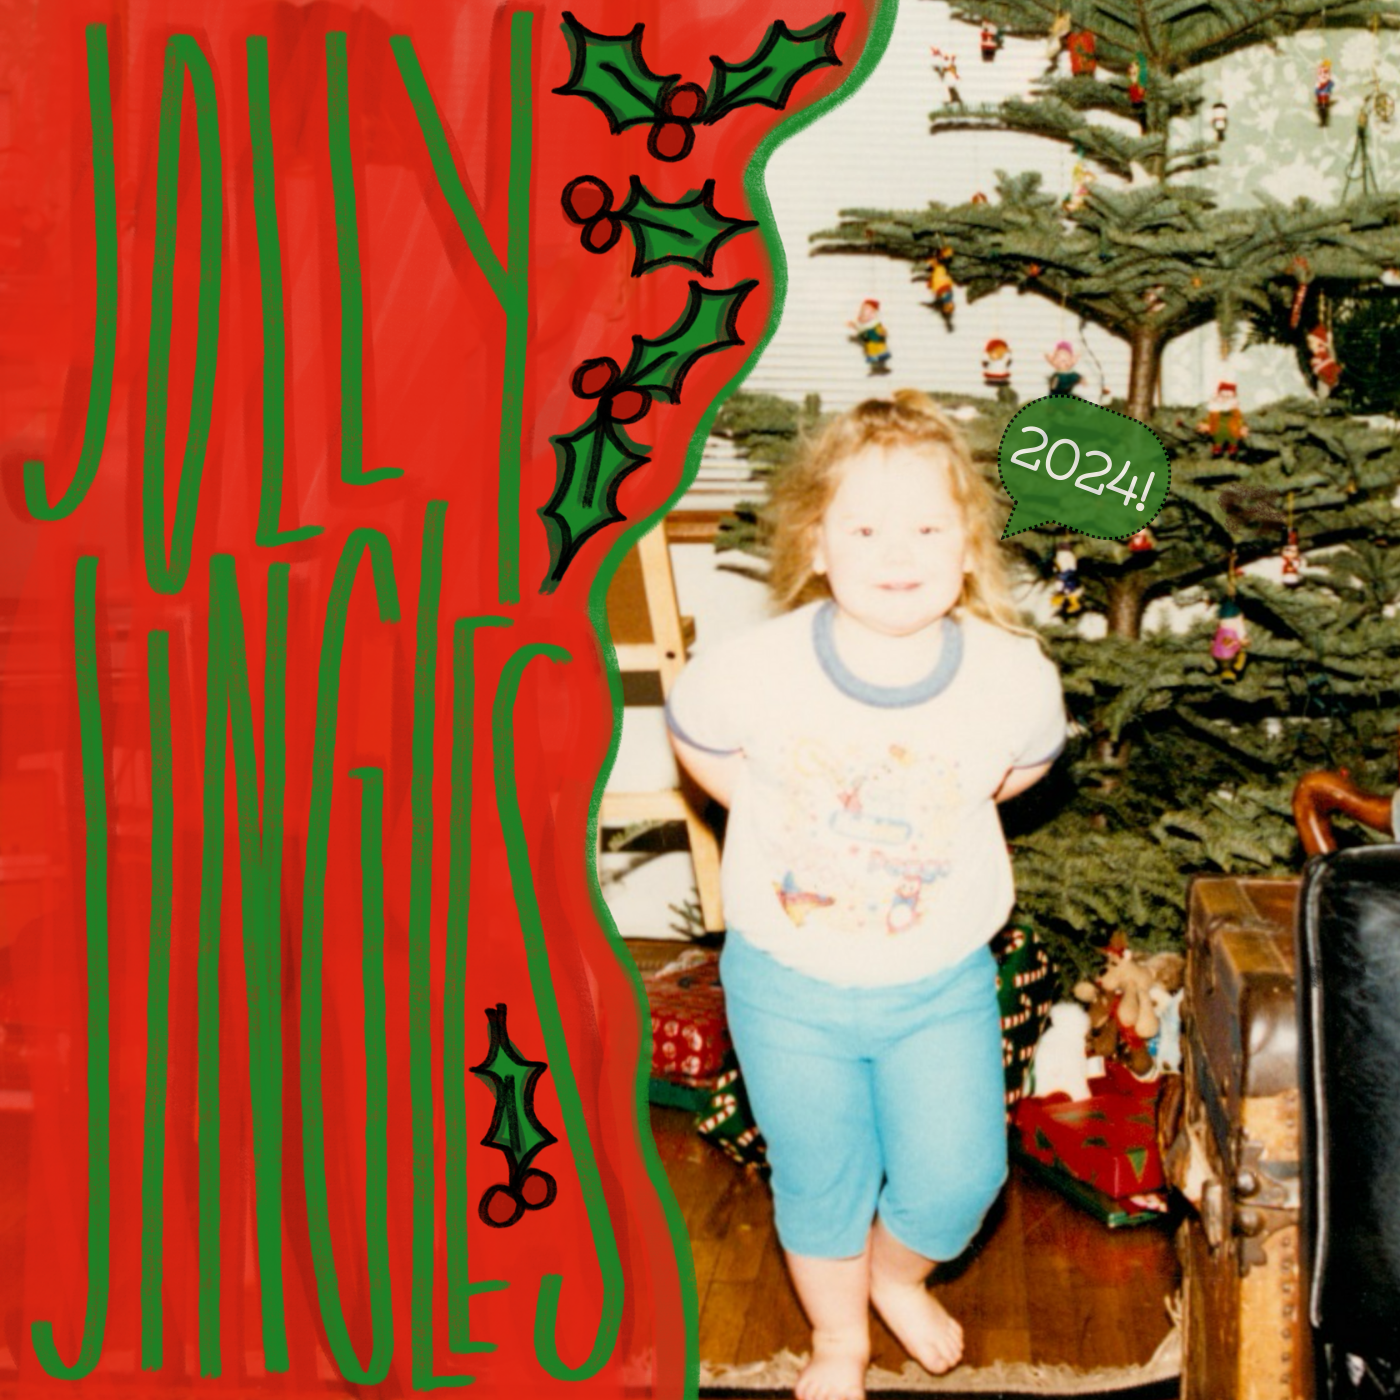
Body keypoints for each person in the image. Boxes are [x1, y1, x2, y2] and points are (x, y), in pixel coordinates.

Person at [666, 392, 1066, 1400]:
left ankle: (896, 1273)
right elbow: (702, 745)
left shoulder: (1010, 676)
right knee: (819, 1176)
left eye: (928, 525)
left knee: (956, 1176)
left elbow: (1015, 771)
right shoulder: (747, 667)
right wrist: (777, 816)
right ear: (817, 540)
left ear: (967, 544)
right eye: (866, 525)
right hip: (785, 984)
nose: (899, 550)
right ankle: (835, 1336)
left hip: (935, 981)